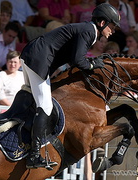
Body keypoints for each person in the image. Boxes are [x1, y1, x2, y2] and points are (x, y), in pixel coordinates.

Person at [15, 3, 120, 169]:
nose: (112, 31)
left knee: (35, 103)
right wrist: (93, 65)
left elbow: (74, 59)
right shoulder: (89, 31)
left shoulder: (87, 30)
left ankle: (20, 142)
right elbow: (78, 61)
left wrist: (91, 63)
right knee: (45, 107)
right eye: (112, 26)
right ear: (102, 23)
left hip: (34, 55)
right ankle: (34, 156)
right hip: (38, 59)